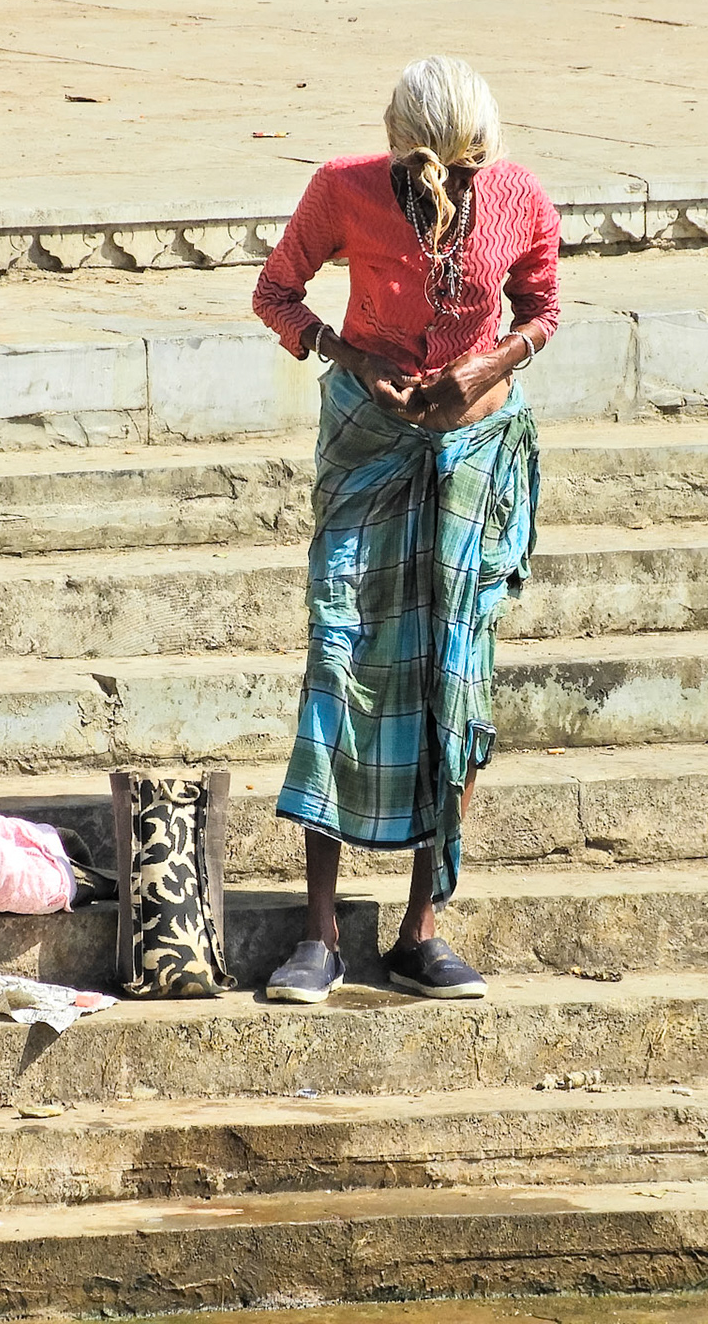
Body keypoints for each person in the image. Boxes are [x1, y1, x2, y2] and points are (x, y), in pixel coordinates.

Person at [249, 56, 560, 1005]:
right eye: (445, 174)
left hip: (475, 453)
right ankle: (318, 934)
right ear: (400, 154)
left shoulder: (518, 196)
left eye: (473, 174)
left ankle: (422, 931)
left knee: (452, 677)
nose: (460, 191)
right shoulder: (342, 191)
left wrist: (487, 366)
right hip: (368, 440)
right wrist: (349, 354)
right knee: (339, 655)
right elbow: (278, 294)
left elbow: (543, 309)